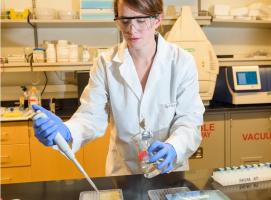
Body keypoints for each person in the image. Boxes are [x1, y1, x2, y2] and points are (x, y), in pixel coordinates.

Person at [32, 0, 205, 176]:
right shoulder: (105, 63)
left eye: (140, 20)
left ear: (158, 19)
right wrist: (67, 131)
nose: (131, 29)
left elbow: (190, 120)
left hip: (169, 171)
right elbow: (91, 116)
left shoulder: (181, 62)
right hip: (124, 172)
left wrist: (174, 147)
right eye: (125, 20)